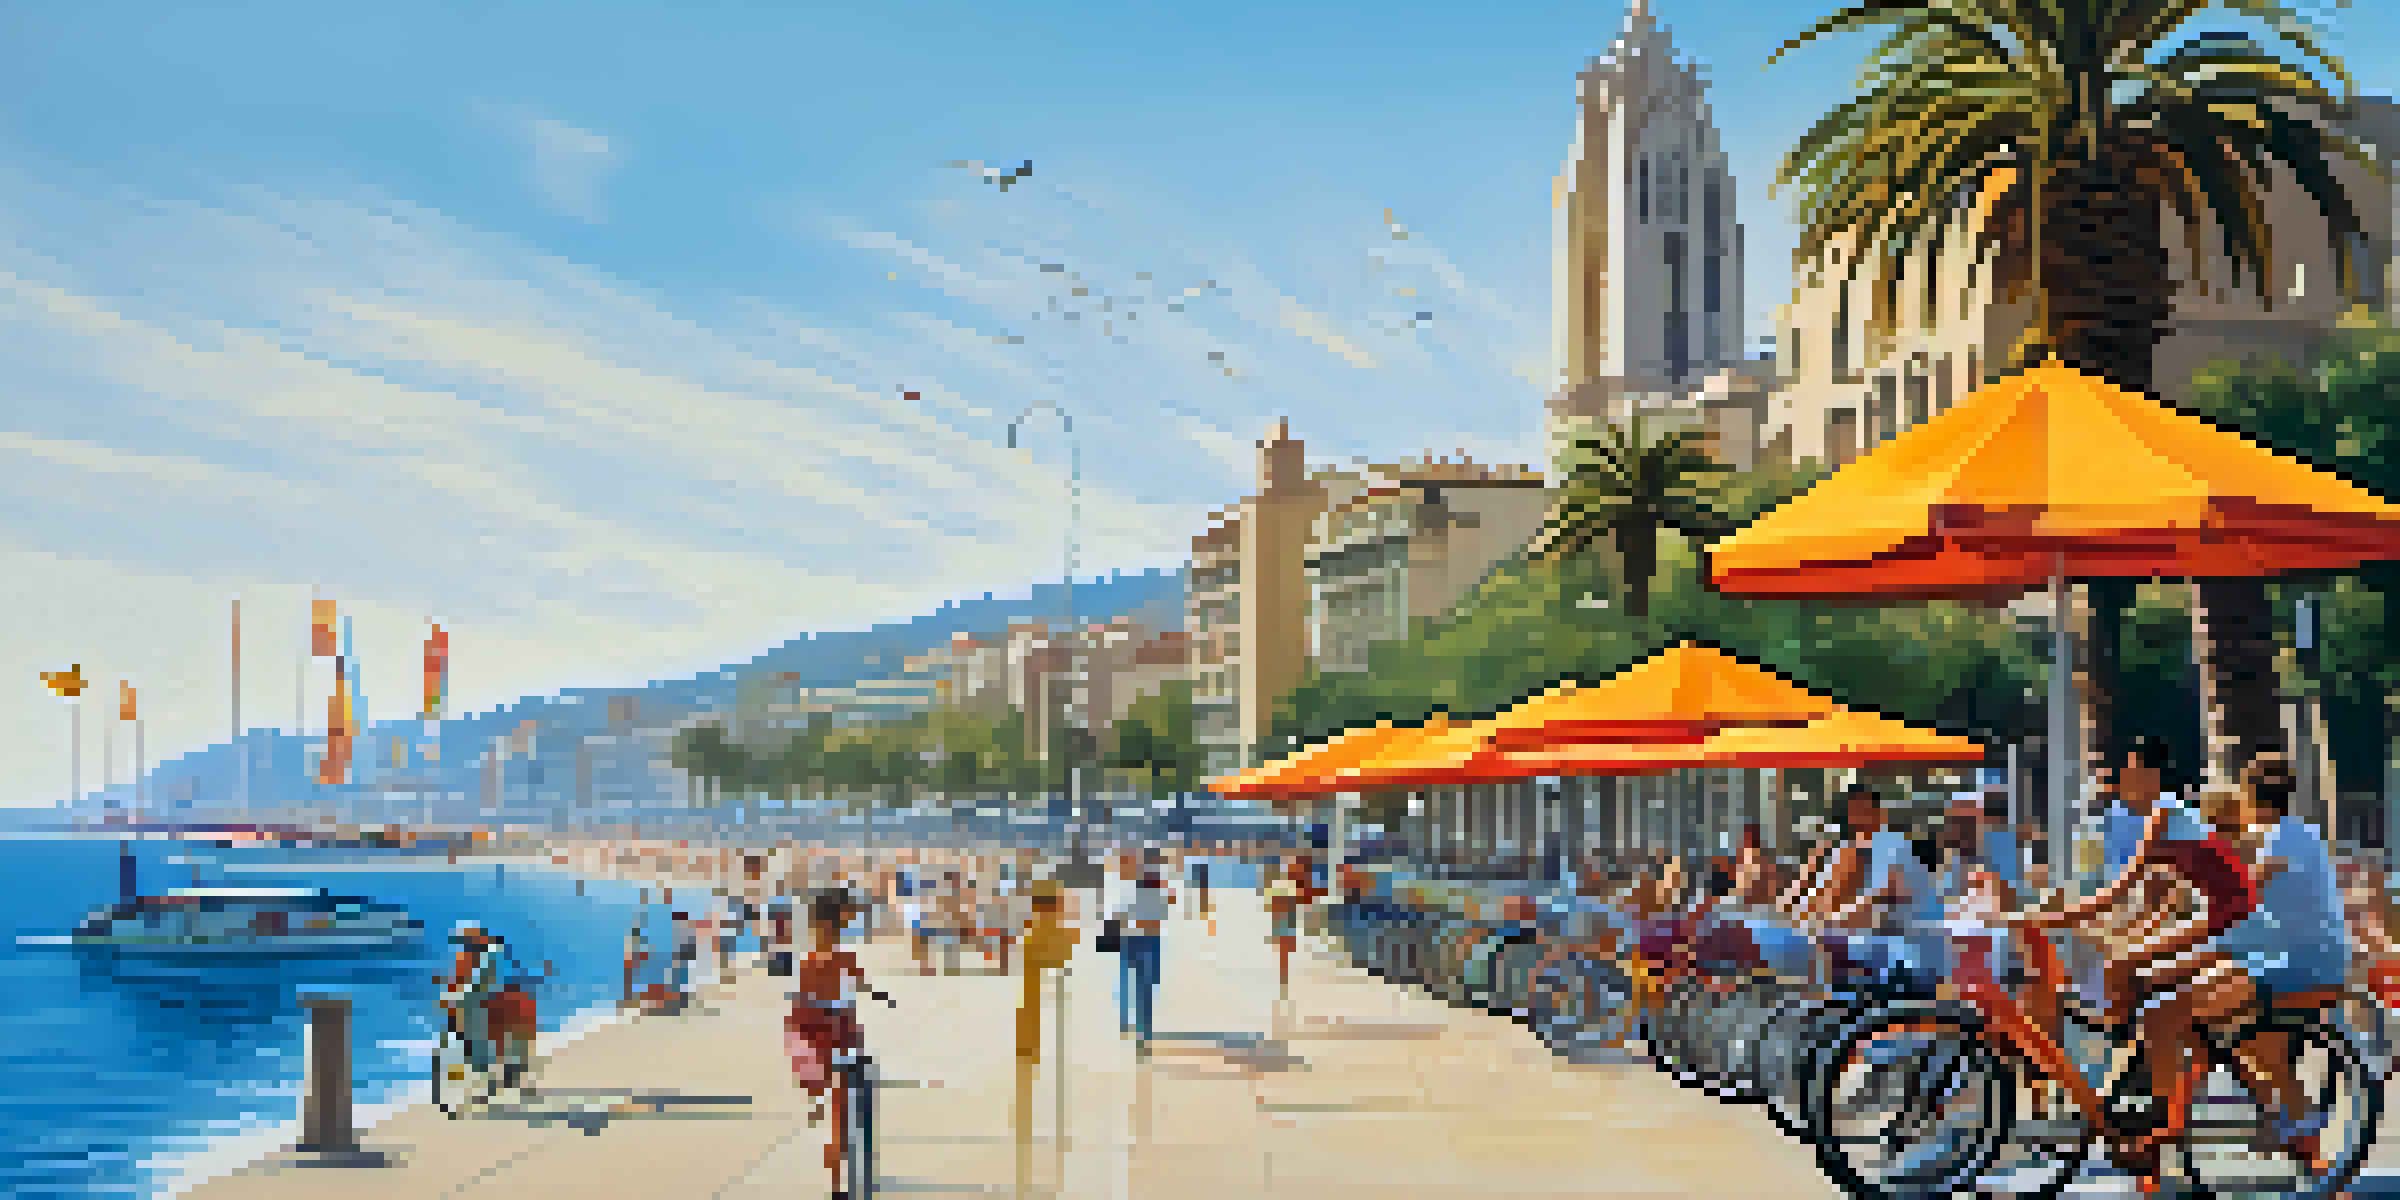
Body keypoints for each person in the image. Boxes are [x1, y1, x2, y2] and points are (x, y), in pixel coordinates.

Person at [787, 890, 882, 1200]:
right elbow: (858, 983)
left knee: (835, 1110)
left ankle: (838, 1178)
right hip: (838, 1035)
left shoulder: (810, 961)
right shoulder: (838, 958)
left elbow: (801, 1008)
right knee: (844, 1112)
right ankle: (840, 1180)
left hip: (818, 1036)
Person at [1121, 855, 1176, 1052]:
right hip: (1149, 941)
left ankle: (1126, 1021)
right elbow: (1166, 909)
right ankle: (1144, 1033)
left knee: (1132, 982)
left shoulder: (1134, 893)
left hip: (1132, 940)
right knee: (1146, 988)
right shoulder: (1156, 896)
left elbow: (1124, 916)